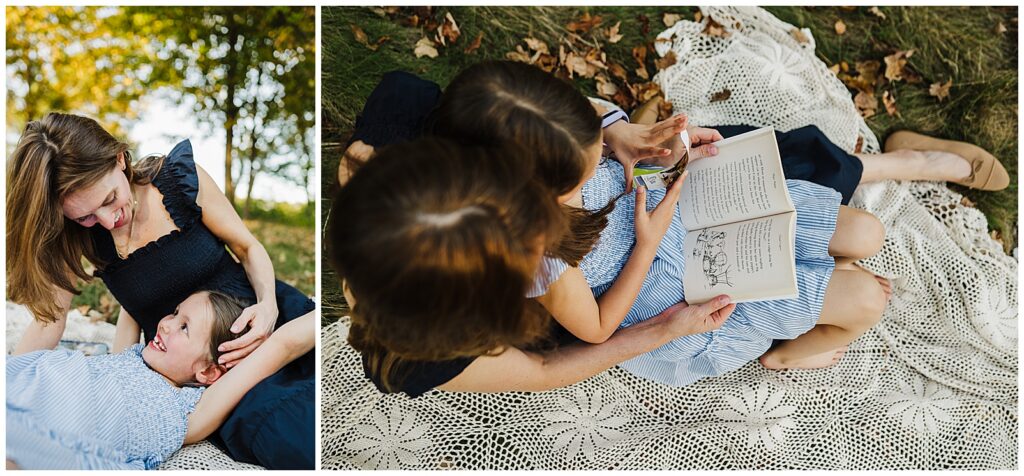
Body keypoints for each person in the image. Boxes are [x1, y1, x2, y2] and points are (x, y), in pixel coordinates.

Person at [5, 113, 314, 469]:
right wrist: (13, 377)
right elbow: (49, 325)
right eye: (85, 217)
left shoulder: (179, 182)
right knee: (275, 426)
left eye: (109, 199)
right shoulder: (71, 235)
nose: (106, 222)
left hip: (257, 310)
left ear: (119, 160)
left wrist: (269, 306)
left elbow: (247, 248)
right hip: (192, 364)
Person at [329, 136, 738, 396]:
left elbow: (562, 123)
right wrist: (662, 330)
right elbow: (543, 369)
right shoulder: (414, 361)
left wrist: (618, 133)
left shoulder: (379, 173)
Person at [6, 290, 315, 470]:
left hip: (56, 430)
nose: (165, 325)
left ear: (207, 372)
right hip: (33, 380)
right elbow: (132, 298)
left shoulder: (191, 414)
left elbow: (282, 345)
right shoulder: (130, 354)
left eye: (185, 328)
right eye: (174, 313)